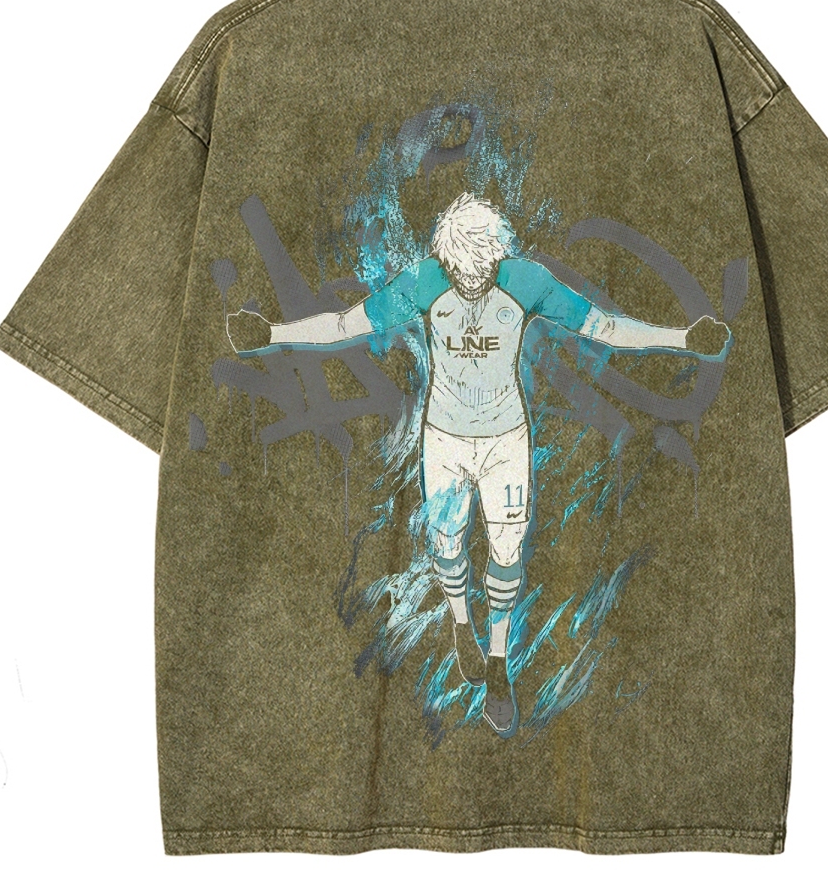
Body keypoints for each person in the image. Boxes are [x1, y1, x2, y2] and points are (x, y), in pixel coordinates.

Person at [227, 192, 732, 735]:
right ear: (445, 262)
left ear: (497, 258)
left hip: (504, 442)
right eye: (461, 275)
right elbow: (349, 324)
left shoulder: (524, 281)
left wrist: (684, 340)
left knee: (506, 550)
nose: (472, 285)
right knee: (447, 545)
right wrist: (271, 334)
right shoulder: (425, 282)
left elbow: (601, 327)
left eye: (482, 275)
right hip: (444, 442)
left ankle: (497, 662)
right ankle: (459, 621)